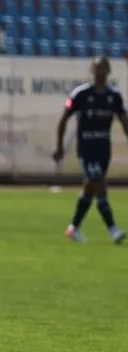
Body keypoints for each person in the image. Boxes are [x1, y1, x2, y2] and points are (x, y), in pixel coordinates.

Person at [54, 56, 128, 243]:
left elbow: (123, 120)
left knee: (90, 188)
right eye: (97, 69)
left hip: (104, 148)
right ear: (92, 71)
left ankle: (73, 228)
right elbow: (63, 119)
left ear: (109, 71)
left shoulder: (114, 96)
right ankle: (113, 230)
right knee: (99, 183)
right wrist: (59, 146)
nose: (100, 72)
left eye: (104, 69)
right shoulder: (80, 95)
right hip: (86, 148)